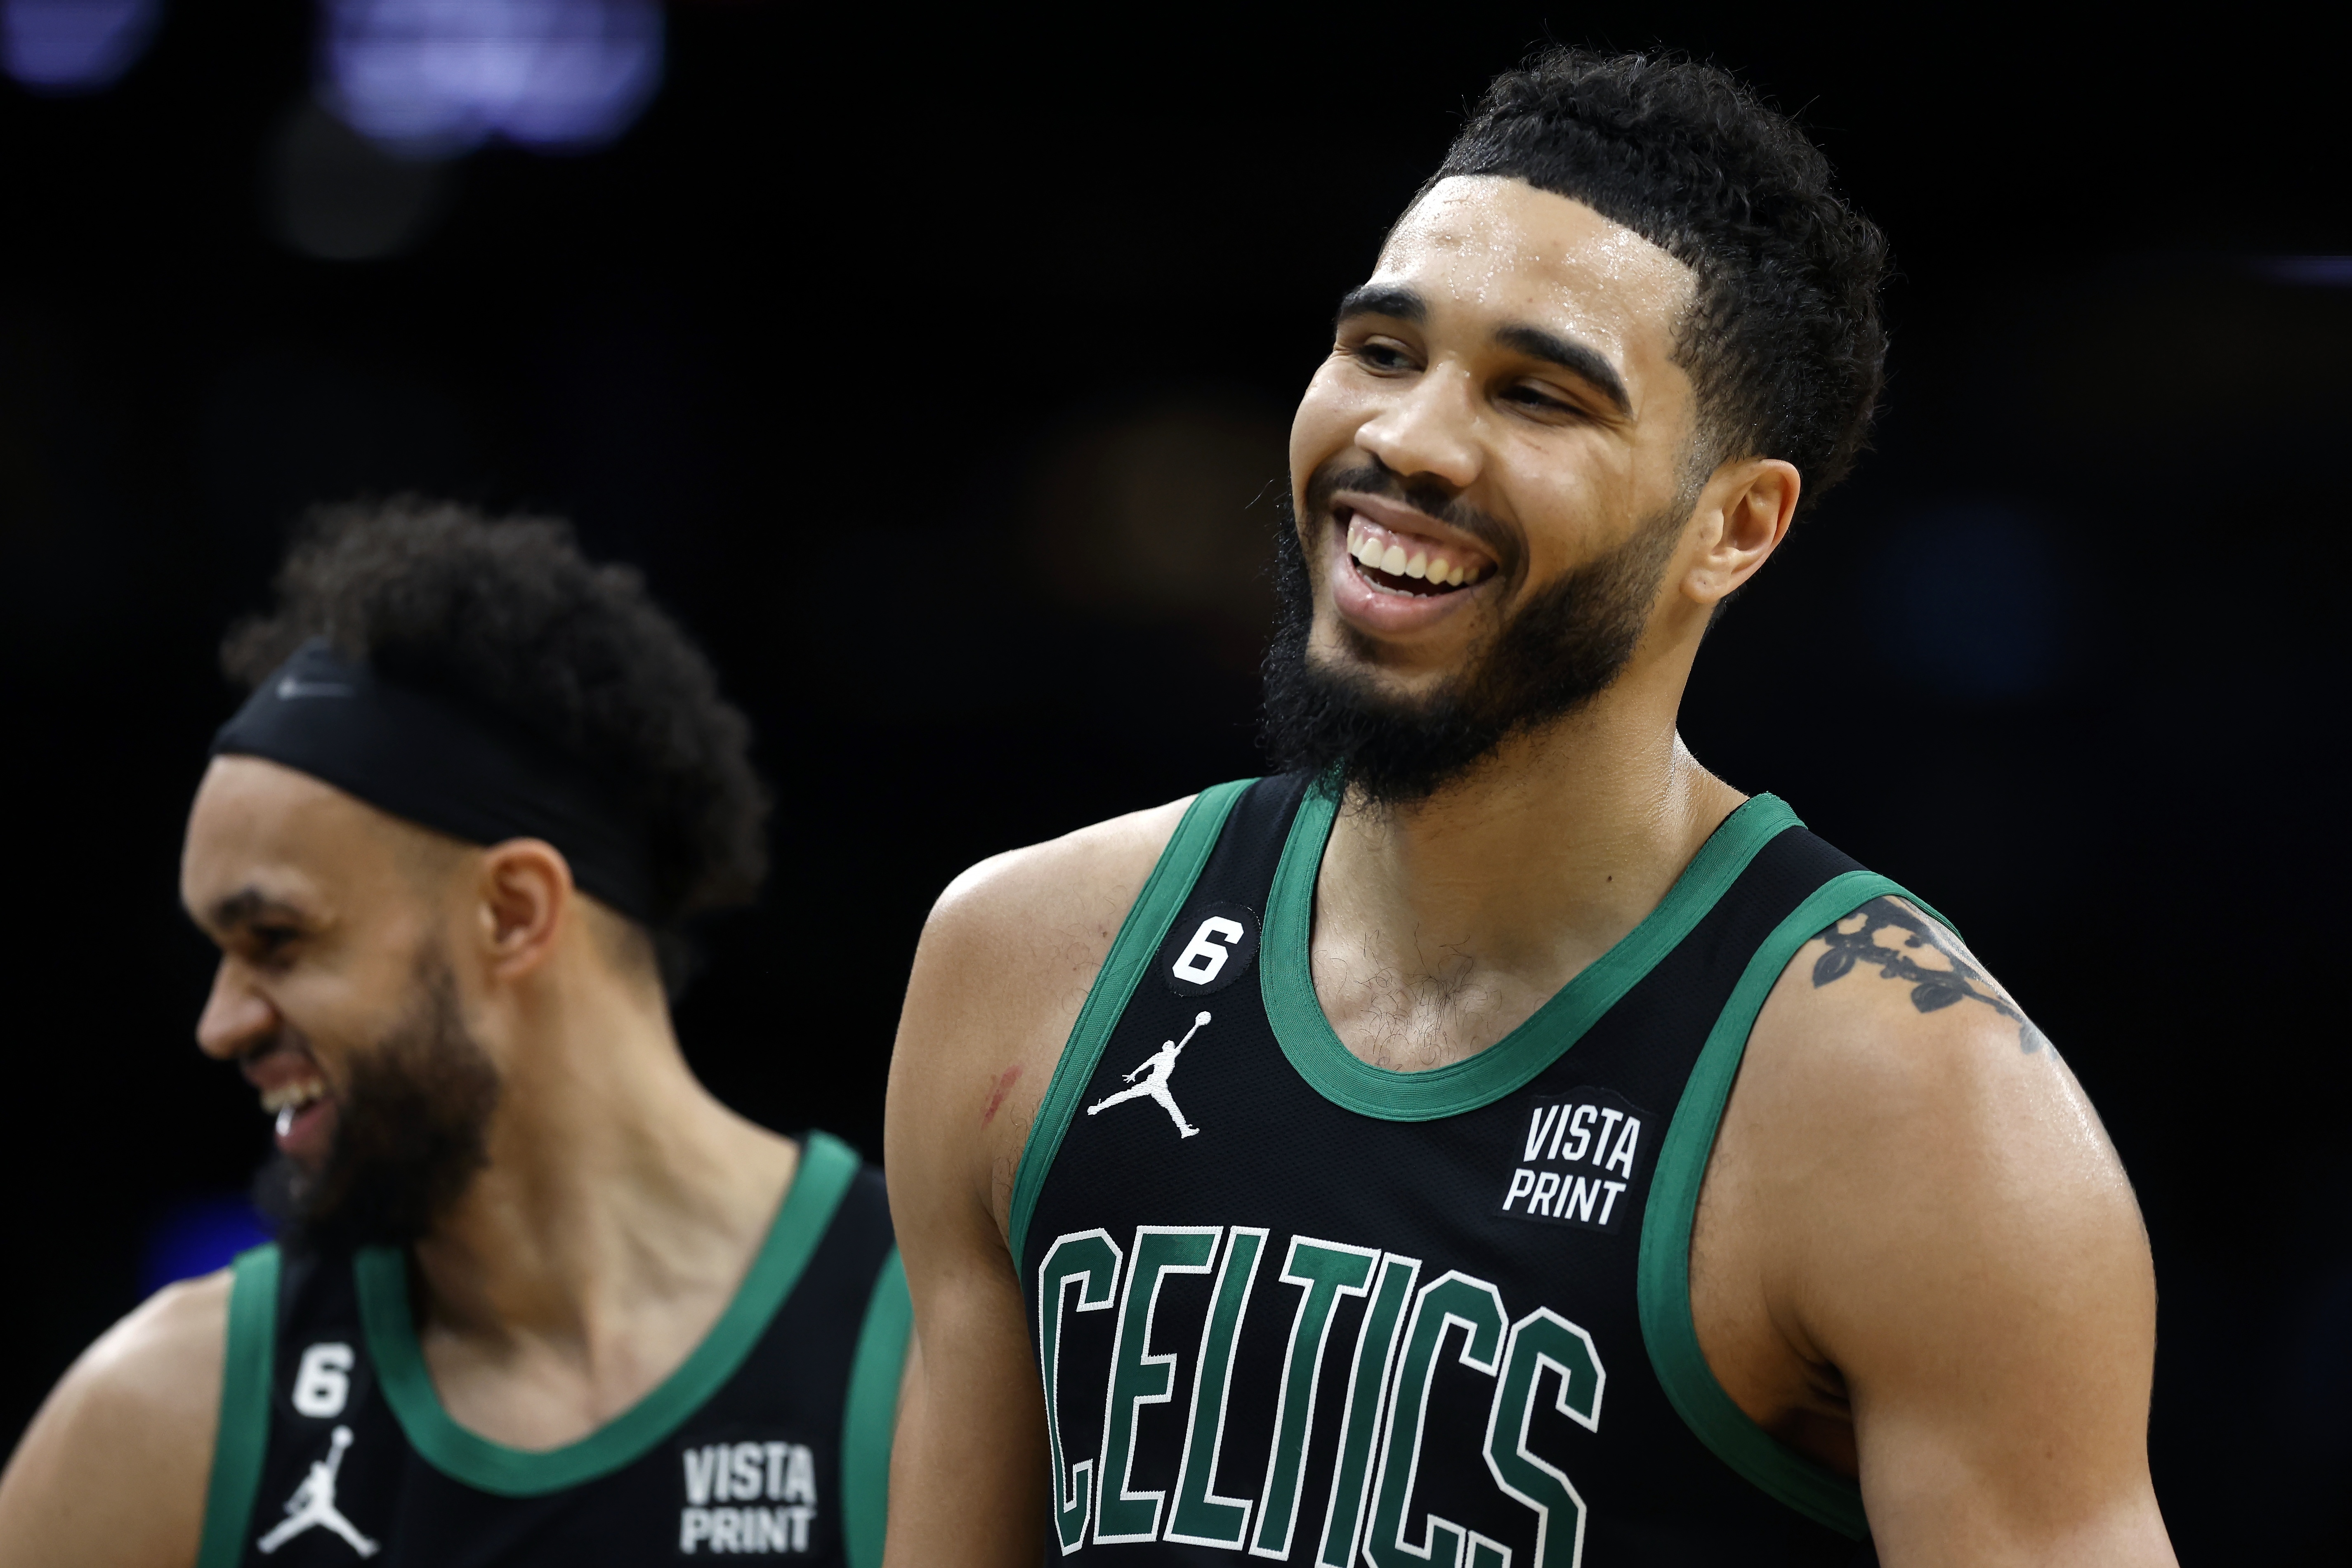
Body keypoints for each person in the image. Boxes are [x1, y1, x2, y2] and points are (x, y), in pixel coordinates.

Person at [882, 49, 2173, 1567]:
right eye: (1381, 351)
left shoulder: (1917, 1106)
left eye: (1539, 395)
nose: (1410, 441)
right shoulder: (1026, 960)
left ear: (1735, 526)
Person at [0, 502, 910, 1567]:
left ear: (513, 913)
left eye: (278, 940)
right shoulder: (166, 1417)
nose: (220, 1024)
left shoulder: (926, 1342)